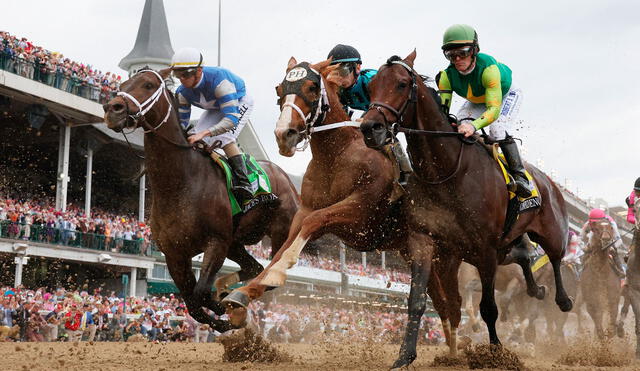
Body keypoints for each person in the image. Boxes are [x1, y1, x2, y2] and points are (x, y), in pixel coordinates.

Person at [436, 24, 533, 198]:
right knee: (458, 125)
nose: (457, 59)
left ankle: (521, 177)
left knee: (497, 129)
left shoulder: (489, 70)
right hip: (477, 100)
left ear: (474, 50)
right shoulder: (446, 76)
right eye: (451, 55)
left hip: (505, 95)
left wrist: (473, 126)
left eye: (463, 52)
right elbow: (442, 112)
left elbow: (493, 109)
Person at [171, 47, 255, 202]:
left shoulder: (220, 81)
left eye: (185, 74)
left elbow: (231, 120)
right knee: (195, 140)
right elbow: (182, 124)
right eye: (177, 74)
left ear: (198, 71)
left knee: (224, 137)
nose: (181, 79)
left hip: (238, 102)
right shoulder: (182, 92)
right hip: (216, 107)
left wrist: (204, 133)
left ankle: (245, 183)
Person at [326, 44, 413, 185]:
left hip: (388, 115)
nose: (338, 78)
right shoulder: (338, 90)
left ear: (357, 68)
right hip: (367, 118)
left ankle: (406, 176)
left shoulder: (371, 79)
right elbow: (343, 114)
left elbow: (382, 107)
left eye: (342, 71)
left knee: (387, 139)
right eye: (333, 72)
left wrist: (365, 117)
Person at [581, 208, 626, 278]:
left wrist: (612, 247)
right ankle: (580, 272)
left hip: (609, 240)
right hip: (595, 238)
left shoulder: (612, 224)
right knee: (587, 252)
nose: (595, 225)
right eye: (593, 223)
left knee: (614, 252)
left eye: (597, 222)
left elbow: (619, 241)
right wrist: (584, 247)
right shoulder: (587, 224)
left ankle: (620, 270)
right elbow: (581, 238)